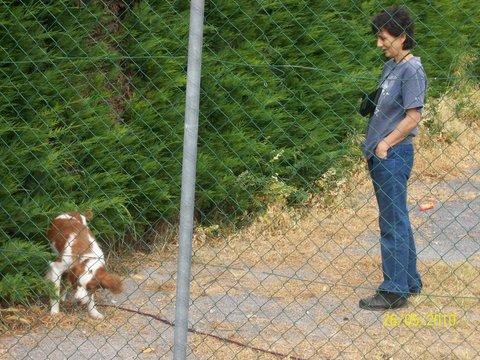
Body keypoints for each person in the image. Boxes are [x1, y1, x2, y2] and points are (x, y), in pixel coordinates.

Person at [359, 6, 427, 310]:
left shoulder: (412, 69)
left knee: (392, 221)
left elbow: (414, 116)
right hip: (382, 154)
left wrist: (385, 143)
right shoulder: (392, 67)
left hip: (394, 154)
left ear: (401, 37)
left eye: (383, 37)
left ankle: (394, 290)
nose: (379, 43)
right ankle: (409, 281)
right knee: (397, 216)